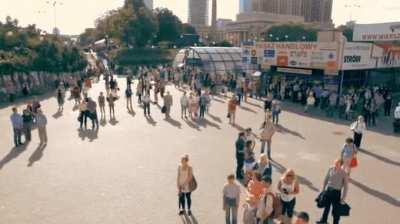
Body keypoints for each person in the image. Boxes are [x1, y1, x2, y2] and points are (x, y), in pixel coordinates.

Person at [316, 159, 349, 224]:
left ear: (341, 165)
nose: (335, 165)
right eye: (335, 163)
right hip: (328, 191)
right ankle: (323, 220)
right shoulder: (331, 169)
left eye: (337, 164)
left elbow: (346, 187)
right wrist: (323, 189)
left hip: (336, 193)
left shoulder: (344, 173)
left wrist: (343, 198)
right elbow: (326, 179)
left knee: (336, 210)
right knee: (326, 207)